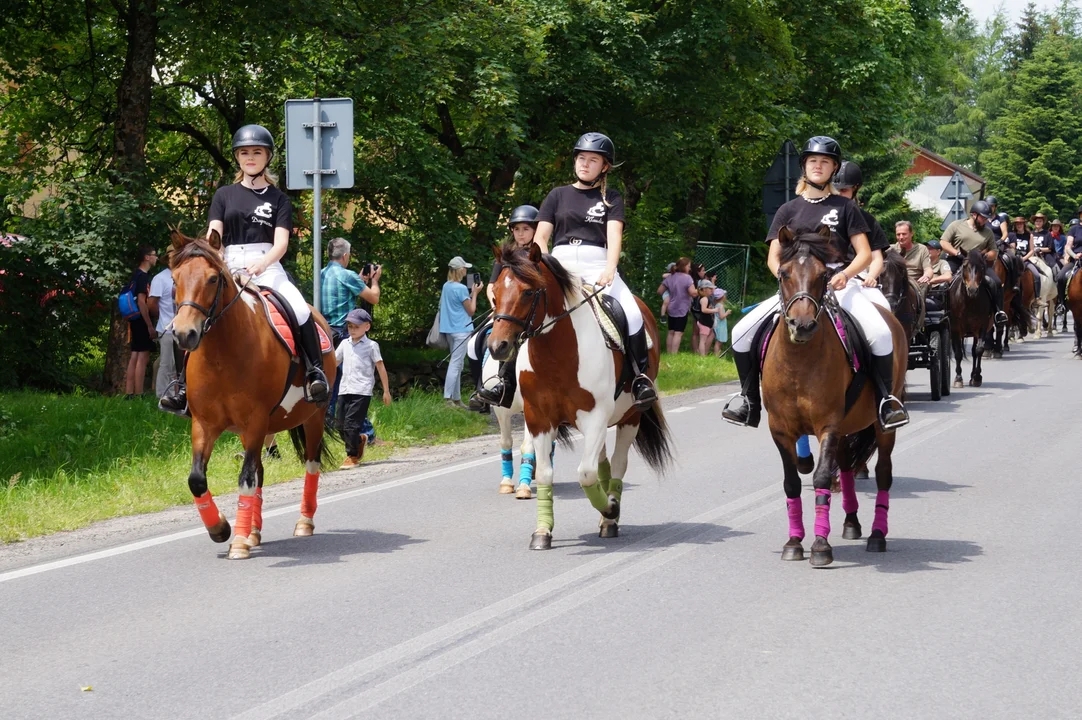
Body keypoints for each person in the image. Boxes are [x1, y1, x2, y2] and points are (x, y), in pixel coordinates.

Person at [722, 135, 907, 431]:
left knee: (881, 333)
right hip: (797, 289)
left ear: (833, 168)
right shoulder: (788, 210)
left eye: (824, 162)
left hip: (838, 285)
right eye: (813, 161)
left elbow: (862, 254)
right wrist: (788, 281)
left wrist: (845, 275)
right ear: (804, 167)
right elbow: (774, 257)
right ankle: (749, 401)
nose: (818, 166)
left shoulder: (846, 209)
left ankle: (886, 401)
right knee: (741, 331)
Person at [160, 124, 328, 414]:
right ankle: (182, 387)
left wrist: (261, 264)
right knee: (186, 318)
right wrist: (223, 263)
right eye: (245, 153)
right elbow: (214, 237)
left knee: (300, 309)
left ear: (267, 157)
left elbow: (281, 244)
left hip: (268, 265)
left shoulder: (279, 199)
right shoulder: (224, 195)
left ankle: (314, 373)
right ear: (238, 157)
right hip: (229, 264)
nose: (250, 157)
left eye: (257, 152)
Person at [533, 132, 658, 410]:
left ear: (605, 167)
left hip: (597, 263)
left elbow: (614, 236)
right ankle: (503, 379)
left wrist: (610, 268)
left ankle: (639, 378)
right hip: (560, 263)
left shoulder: (611, 197)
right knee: (523, 309)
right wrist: (546, 263)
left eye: (592, 160)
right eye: (581, 158)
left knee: (632, 312)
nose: (584, 164)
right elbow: (541, 238)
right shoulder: (558, 195)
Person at [475, 204, 539, 407]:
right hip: (505, 310)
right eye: (517, 229)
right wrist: (496, 305)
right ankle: (482, 389)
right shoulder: (505, 256)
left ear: (535, 230)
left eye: (526, 229)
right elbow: (492, 286)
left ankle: (506, 382)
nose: (521, 234)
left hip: (529, 313)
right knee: (474, 343)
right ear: (512, 230)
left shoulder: (538, 255)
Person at [321, 237, 382, 419]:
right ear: (345, 255)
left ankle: (330, 421)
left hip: (325, 334)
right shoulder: (348, 276)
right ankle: (365, 432)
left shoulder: (322, 273)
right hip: (345, 333)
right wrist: (375, 281)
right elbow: (373, 298)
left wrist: (359, 280)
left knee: (334, 382)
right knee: (356, 384)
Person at [335, 308, 391, 469]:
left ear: (367, 327)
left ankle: (352, 456)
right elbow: (334, 362)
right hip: (344, 389)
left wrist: (386, 391)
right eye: (350, 327)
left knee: (351, 424)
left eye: (356, 327)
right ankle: (360, 441)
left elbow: (380, 367)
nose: (352, 330)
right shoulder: (344, 344)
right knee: (340, 424)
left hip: (362, 391)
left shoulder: (372, 346)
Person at [939, 199, 1007, 325]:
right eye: (983, 218)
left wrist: (985, 256)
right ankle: (943, 310)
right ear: (974, 215)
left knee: (996, 283)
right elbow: (943, 242)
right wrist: (957, 253)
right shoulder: (956, 225)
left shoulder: (988, 232)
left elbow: (994, 251)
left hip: (978, 264)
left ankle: (998, 312)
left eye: (987, 218)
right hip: (957, 260)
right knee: (944, 282)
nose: (986, 221)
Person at [832, 161, 889, 291]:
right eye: (835, 190)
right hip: (822, 277)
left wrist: (871, 276)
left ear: (855, 189)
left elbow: (876, 258)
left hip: (856, 278)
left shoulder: (868, 220)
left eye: (844, 190)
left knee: (882, 306)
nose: (839, 194)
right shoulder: (822, 215)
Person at [440, 256, 482, 408]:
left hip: (449, 330)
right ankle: (448, 399)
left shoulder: (447, 286)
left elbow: (460, 305)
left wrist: (471, 294)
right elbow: (471, 311)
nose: (466, 270)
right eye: (464, 268)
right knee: (456, 364)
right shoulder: (461, 288)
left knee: (456, 364)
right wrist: (476, 293)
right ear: (459, 270)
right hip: (461, 330)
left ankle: (456, 399)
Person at [124, 245, 159, 398]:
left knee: (135, 354)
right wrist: (149, 325)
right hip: (142, 320)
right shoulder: (143, 276)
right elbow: (141, 301)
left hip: (134, 319)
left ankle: (129, 392)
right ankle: (139, 393)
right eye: (154, 255)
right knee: (143, 356)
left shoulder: (135, 275)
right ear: (147, 257)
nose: (156, 257)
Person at [148, 250, 183, 399]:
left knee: (180, 366)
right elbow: (152, 304)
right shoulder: (160, 278)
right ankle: (163, 396)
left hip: (182, 328)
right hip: (167, 328)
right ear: (167, 259)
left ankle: (178, 396)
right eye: (171, 257)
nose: (173, 259)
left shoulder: (183, 275)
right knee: (166, 364)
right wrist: (163, 319)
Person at [658, 257, 696, 353]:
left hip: (671, 308)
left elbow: (659, 291)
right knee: (678, 333)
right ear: (684, 266)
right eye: (688, 266)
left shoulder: (670, 277)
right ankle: (674, 354)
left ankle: (668, 352)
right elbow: (693, 293)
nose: (689, 268)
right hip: (682, 308)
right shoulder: (688, 278)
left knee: (671, 332)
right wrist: (701, 291)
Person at [890, 220, 933, 293]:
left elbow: (928, 269)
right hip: (894, 282)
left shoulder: (922, 249)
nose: (901, 237)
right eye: (898, 234)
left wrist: (926, 276)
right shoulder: (890, 250)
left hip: (915, 284)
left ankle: (921, 304)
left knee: (924, 285)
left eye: (904, 234)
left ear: (911, 234)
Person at [693, 280, 722, 356]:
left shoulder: (707, 298)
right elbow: (704, 310)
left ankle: (703, 354)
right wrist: (714, 310)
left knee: (705, 339)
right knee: (703, 340)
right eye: (710, 289)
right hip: (704, 323)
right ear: (705, 289)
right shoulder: (704, 299)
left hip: (707, 322)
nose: (712, 290)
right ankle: (702, 356)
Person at [710, 287, 731, 355]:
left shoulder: (716, 305)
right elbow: (721, 317)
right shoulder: (720, 306)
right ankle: (716, 355)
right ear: (722, 297)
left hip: (718, 324)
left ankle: (717, 353)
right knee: (719, 342)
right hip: (720, 325)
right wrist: (727, 313)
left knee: (719, 341)